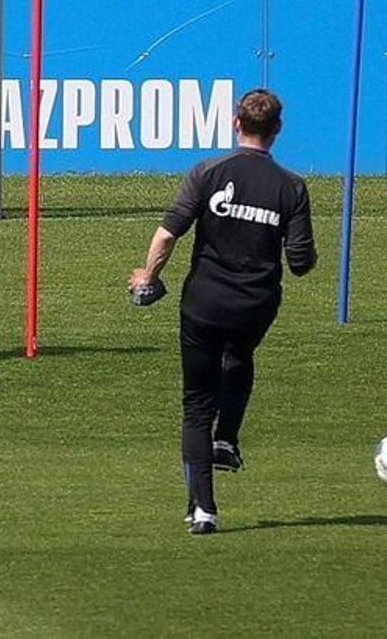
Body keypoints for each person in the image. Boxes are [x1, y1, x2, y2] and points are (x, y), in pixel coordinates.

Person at [127, 88, 316, 535]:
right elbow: (300, 262)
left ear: (236, 123)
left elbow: (168, 234)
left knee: (196, 405)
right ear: (278, 129)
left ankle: (204, 509)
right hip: (256, 305)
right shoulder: (291, 186)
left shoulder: (208, 172)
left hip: (204, 303)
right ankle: (227, 438)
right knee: (239, 355)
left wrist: (148, 276)